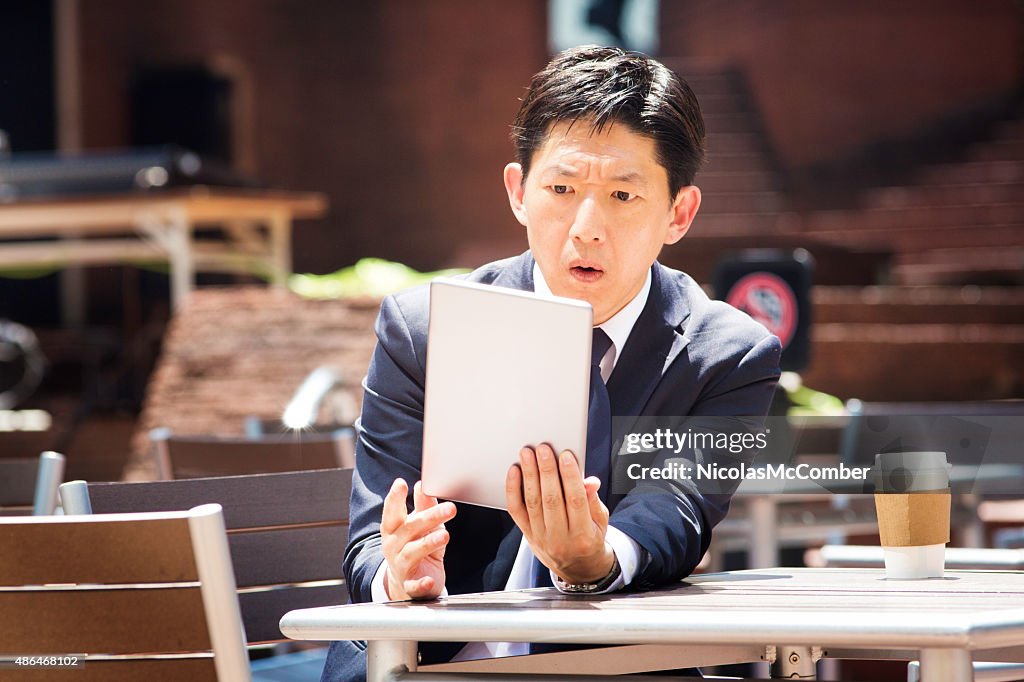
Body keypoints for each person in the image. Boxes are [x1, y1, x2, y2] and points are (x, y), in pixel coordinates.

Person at [321, 45, 782, 681]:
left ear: (679, 212)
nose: (585, 227)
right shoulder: (423, 329)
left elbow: (677, 509)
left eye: (623, 194)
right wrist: (399, 577)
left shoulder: (728, 355)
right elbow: (372, 540)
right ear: (518, 191)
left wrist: (593, 560)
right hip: (420, 665)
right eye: (561, 189)